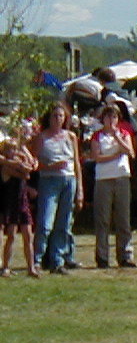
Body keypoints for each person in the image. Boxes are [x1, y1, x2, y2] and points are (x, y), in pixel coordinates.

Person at [31, 100, 82, 274]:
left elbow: (76, 163)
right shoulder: (42, 137)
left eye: (61, 116)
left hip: (69, 180)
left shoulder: (70, 136)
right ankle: (36, 259)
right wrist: (51, 166)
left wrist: (80, 189)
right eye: (54, 116)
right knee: (45, 222)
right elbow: (33, 164)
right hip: (49, 180)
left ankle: (57, 260)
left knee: (64, 223)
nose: (57, 119)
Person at [89, 103, 135, 268]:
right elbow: (97, 157)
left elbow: (130, 152)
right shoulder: (97, 136)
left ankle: (125, 255)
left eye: (114, 116)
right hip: (103, 178)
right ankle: (102, 256)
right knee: (103, 219)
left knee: (123, 218)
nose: (111, 120)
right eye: (108, 116)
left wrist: (118, 139)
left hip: (122, 176)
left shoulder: (124, 134)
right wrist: (116, 154)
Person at [1, 132, 39, 277]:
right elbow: (27, 172)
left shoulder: (17, 162)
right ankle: (5, 267)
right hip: (11, 203)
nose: (12, 152)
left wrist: (25, 152)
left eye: (14, 149)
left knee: (28, 236)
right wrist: (26, 161)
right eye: (9, 149)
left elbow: (30, 166)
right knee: (11, 236)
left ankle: (31, 268)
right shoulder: (6, 167)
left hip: (22, 202)